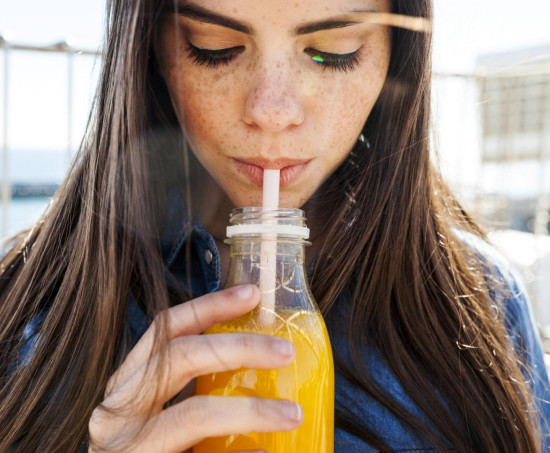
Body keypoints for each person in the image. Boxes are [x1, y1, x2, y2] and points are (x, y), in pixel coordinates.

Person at [0, 0, 548, 451]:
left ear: (395, 57)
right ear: (151, 48)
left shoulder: (483, 303)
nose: (272, 110)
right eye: (213, 47)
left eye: (334, 52)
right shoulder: (27, 317)